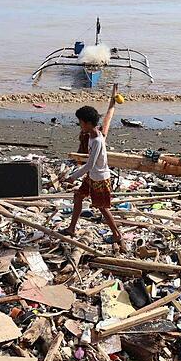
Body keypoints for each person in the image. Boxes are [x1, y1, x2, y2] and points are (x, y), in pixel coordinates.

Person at [62, 85, 125, 252]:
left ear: (89, 123)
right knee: (78, 196)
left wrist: (73, 177)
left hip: (99, 178)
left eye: (81, 123)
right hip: (92, 176)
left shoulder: (97, 140)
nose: (79, 125)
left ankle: (117, 234)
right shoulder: (93, 133)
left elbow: (90, 163)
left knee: (102, 208)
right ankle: (71, 229)